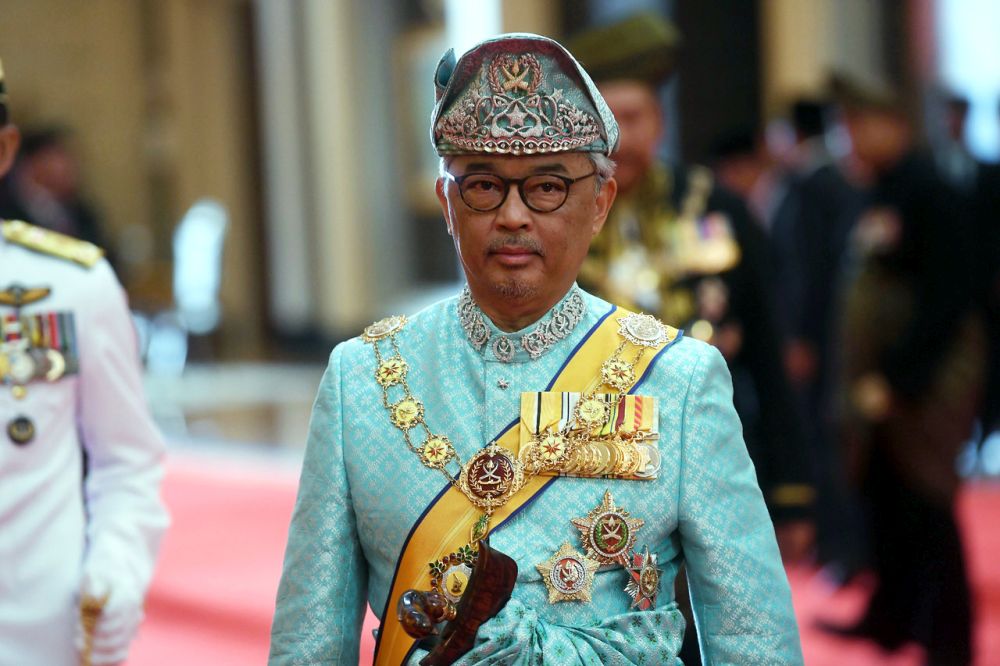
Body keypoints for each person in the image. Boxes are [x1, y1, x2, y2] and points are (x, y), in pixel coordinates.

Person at [269, 33, 802, 665]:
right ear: (447, 202)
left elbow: (753, 636)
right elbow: (310, 638)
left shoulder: (678, 380)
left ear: (599, 202)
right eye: (485, 187)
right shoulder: (362, 380)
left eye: (547, 187)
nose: (514, 216)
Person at [565, 14, 814, 557]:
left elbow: (769, 356)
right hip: (590, 473)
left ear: (659, 120)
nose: (619, 138)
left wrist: (793, 493)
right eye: (604, 121)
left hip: (710, 457)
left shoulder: (715, 208)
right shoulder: (556, 215)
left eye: (632, 117)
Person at [0, 57, 168, 665]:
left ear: (5, 149)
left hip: (39, 638)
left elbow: (126, 459)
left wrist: (116, 565)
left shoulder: (69, 286)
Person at [824, 72, 985, 665]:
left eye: (857, 126)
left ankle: (950, 642)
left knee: (927, 504)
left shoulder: (929, 189)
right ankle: (892, 620)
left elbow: (949, 300)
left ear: (892, 125)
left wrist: (899, 380)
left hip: (927, 385)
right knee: (887, 499)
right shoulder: (886, 187)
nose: (849, 141)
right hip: (889, 385)